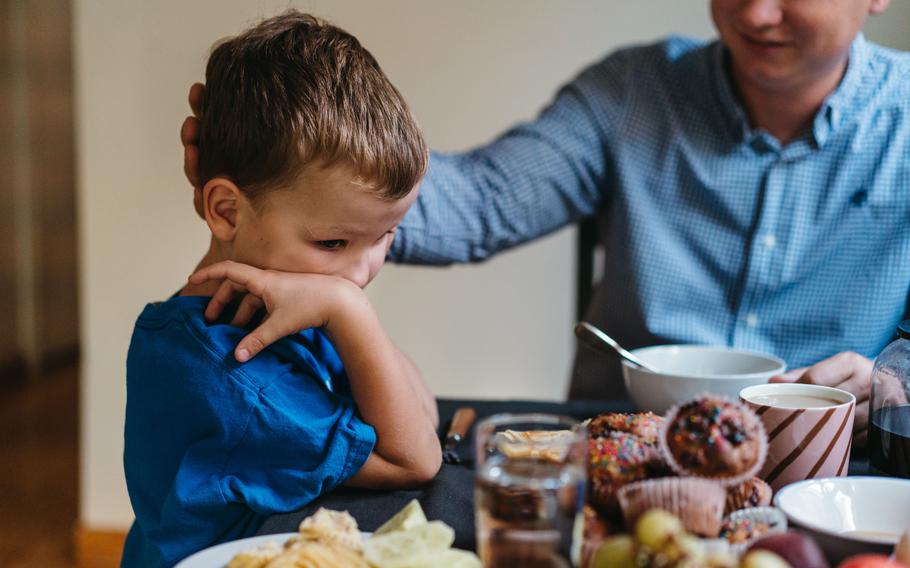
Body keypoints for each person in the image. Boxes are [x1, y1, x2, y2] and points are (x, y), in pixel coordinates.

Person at [181, 0, 908, 441]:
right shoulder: (632, 92)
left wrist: (891, 381)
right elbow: (483, 199)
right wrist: (289, 181)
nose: (754, 14)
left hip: (830, 474)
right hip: (615, 454)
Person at [124, 12, 440, 567]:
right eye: (334, 242)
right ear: (226, 210)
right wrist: (348, 310)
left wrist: (343, 307)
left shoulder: (294, 305)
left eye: (385, 236)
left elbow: (425, 408)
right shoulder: (233, 375)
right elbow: (416, 456)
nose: (363, 272)